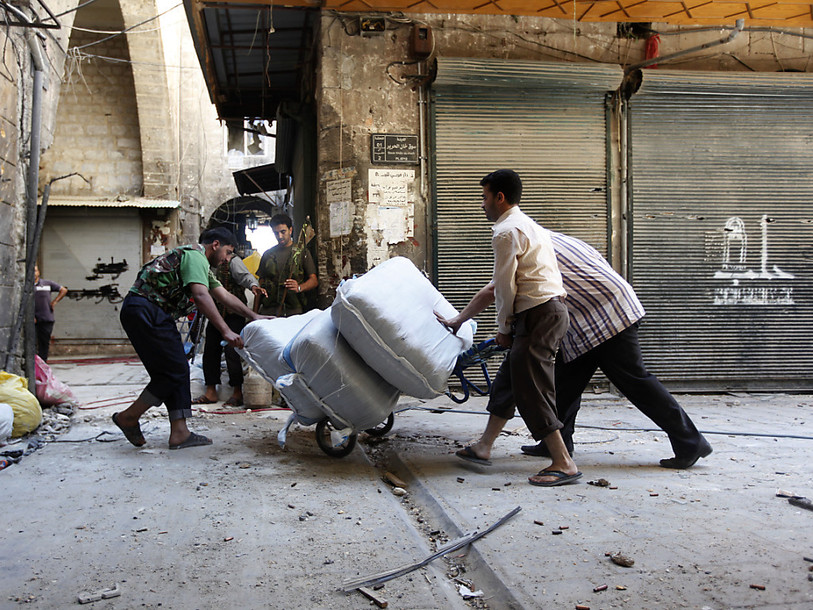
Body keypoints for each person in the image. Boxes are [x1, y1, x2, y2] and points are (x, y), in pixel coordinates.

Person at [436, 169, 581, 487]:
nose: (482, 204)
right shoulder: (528, 225)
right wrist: (458, 319)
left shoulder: (505, 232)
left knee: (531, 387)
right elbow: (493, 288)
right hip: (546, 312)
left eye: (485, 197)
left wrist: (504, 327)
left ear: (499, 197)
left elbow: (504, 288)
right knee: (509, 381)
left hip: (538, 316)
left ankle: (563, 462)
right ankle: (484, 446)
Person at [519, 231, 713, 469]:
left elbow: (504, 288)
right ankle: (558, 441)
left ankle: (691, 442)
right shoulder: (549, 237)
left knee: (636, 382)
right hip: (592, 317)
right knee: (564, 381)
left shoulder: (522, 243)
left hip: (608, 315)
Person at [111, 227, 272, 450]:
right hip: (146, 309)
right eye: (227, 252)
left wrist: (253, 316)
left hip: (152, 313)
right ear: (215, 245)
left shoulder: (202, 267)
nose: (227, 259)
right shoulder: (195, 256)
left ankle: (179, 432)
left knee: (173, 370)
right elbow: (200, 295)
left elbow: (224, 296)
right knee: (173, 371)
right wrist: (225, 330)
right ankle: (128, 417)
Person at [193, 248, 267, 407]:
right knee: (210, 350)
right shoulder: (205, 263)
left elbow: (245, 277)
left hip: (234, 314)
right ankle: (211, 391)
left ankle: (237, 392)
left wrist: (253, 286)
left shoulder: (234, 261)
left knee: (232, 352)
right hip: (215, 314)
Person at [254, 214, 317, 317]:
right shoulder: (268, 254)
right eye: (276, 233)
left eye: (283, 232)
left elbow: (314, 280)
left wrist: (299, 288)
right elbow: (260, 284)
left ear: (290, 230)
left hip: (293, 310)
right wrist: (254, 314)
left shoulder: (301, 252)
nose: (280, 236)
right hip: (268, 311)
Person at [33, 264, 68, 361]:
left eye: (35, 271)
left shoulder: (47, 284)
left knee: (44, 343)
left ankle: (43, 364)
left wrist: (55, 301)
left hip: (46, 318)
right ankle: (32, 364)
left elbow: (63, 290)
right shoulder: (26, 286)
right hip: (33, 320)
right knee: (31, 343)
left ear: (38, 272)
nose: (33, 273)